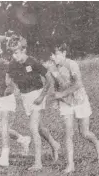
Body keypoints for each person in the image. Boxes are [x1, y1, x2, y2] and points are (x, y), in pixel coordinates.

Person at [6, 36, 61, 171]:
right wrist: (15, 88)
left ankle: (38, 163)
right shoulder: (13, 64)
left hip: (37, 95)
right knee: (40, 128)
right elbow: (9, 77)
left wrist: (42, 96)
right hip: (25, 98)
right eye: (12, 53)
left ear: (24, 50)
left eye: (17, 52)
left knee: (33, 128)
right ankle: (54, 144)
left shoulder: (33, 62)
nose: (14, 56)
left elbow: (49, 80)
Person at [46, 43, 99, 173]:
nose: (53, 57)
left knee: (84, 133)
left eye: (56, 54)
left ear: (64, 53)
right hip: (65, 103)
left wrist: (62, 93)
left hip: (80, 100)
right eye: (52, 55)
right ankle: (71, 164)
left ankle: (97, 145)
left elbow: (78, 83)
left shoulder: (72, 64)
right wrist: (54, 97)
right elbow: (53, 86)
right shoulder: (52, 68)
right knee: (68, 134)